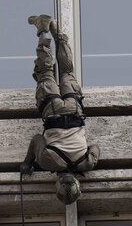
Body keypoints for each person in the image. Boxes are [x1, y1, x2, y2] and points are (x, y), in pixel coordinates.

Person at [19, 14, 100, 205]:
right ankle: (43, 31)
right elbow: (37, 140)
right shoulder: (48, 162)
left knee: (67, 72)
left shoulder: (86, 164)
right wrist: (28, 162)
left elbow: (95, 148)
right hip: (52, 110)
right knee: (45, 72)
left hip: (73, 110)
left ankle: (57, 33)